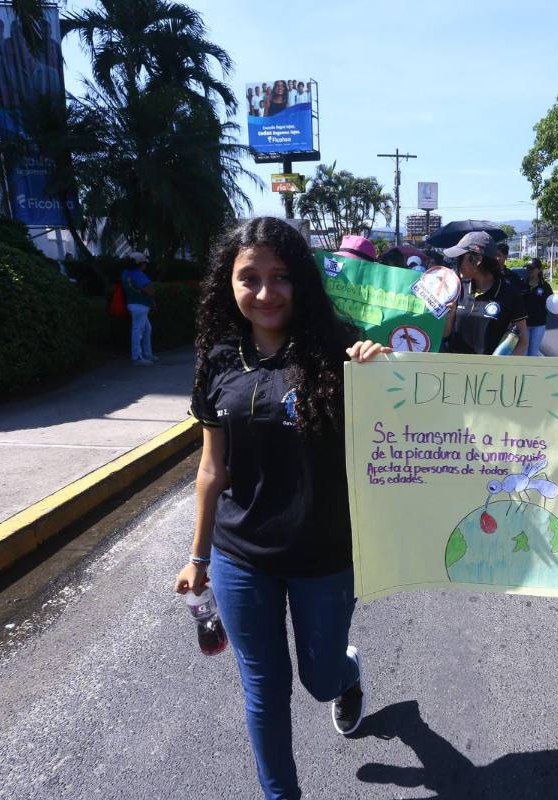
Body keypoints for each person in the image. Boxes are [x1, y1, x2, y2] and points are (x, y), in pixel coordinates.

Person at [178, 217, 388, 800]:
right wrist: (197, 556)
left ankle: (346, 674)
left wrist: (384, 366)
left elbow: (401, 419)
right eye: (250, 279)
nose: (266, 293)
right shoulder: (219, 361)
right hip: (241, 557)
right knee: (264, 688)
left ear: (302, 283)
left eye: (281, 278)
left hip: (324, 553)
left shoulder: (339, 349)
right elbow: (211, 469)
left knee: (319, 681)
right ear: (230, 284)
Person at [441, 231, 528, 355]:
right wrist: (449, 315)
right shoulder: (456, 288)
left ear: (476, 260)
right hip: (453, 369)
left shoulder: (510, 294)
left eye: (460, 257)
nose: (456, 263)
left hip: (489, 373)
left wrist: (501, 371)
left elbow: (522, 342)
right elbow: (445, 334)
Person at [121, 251, 157, 366]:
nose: (145, 265)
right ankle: (137, 357)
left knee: (146, 329)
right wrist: (152, 299)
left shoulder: (125, 273)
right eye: (144, 263)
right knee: (138, 331)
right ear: (140, 264)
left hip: (133, 304)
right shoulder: (138, 274)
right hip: (141, 305)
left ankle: (147, 354)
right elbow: (149, 290)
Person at [523, 258, 553, 356]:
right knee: (523, 353)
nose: (529, 270)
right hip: (523, 325)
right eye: (528, 268)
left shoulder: (545, 286)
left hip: (539, 325)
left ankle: (529, 371)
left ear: (539, 270)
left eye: (532, 268)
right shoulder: (521, 284)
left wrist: (554, 311)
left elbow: (551, 303)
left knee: (532, 353)